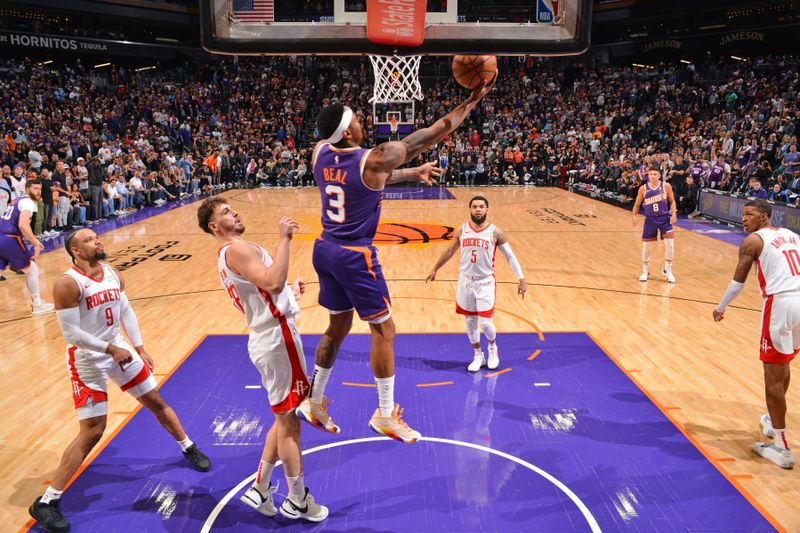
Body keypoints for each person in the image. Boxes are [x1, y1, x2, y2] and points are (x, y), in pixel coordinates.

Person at [295, 78, 495, 443]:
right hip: (355, 254)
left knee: (336, 328)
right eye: (355, 119)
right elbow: (434, 132)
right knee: (385, 330)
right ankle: (385, 413)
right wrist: (471, 101)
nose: (360, 121)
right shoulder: (376, 157)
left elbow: (369, 176)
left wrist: (411, 174)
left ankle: (314, 399)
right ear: (351, 133)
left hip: (324, 248)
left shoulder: (320, 152)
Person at [28, 228, 210, 533]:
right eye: (88, 239)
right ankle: (47, 502)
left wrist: (138, 347)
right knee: (93, 430)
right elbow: (72, 334)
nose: (97, 241)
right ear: (75, 251)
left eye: (96, 237)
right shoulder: (67, 284)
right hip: (88, 359)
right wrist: (111, 349)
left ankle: (188, 446)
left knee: (156, 401)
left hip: (120, 349)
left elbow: (125, 310)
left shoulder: (112, 272)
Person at [197, 197, 327, 522]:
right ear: (214, 226)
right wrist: (284, 238)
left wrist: (288, 295)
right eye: (226, 212)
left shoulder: (230, 253)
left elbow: (265, 291)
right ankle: (297, 500)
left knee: (283, 418)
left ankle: (260, 486)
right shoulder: (236, 250)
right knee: (290, 423)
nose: (234, 212)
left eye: (231, 207)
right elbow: (271, 281)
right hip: (277, 339)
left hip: (267, 336)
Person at [713, 200, 796, 470]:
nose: (743, 219)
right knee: (783, 366)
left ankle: (782, 448)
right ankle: (772, 421)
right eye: (742, 214)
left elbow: (738, 282)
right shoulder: (792, 236)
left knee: (772, 374)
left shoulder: (753, 241)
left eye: (749, 214)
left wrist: (720, 307)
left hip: (780, 304)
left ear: (763, 217)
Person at [425, 195, 527, 372]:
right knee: (470, 323)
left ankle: (493, 349)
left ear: (487, 209)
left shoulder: (496, 232)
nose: (478, 209)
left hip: (485, 282)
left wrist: (521, 278)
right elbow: (449, 251)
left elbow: (509, 256)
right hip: (465, 281)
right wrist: (435, 269)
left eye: (481, 206)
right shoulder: (462, 230)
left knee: (486, 323)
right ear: (470, 209)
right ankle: (478, 355)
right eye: (474, 207)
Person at [0, 179, 54, 315]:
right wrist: (36, 242)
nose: (38, 191)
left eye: (39, 189)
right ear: (27, 188)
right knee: (32, 269)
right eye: (35, 188)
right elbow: (23, 225)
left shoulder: (18, 200)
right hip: (9, 238)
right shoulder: (27, 202)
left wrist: (32, 241)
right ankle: (37, 305)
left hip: (3, 236)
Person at [632, 167, 677, 283]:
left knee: (670, 244)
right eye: (650, 174)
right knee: (646, 246)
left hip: (664, 218)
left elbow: (672, 201)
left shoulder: (666, 186)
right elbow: (637, 204)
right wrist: (634, 216)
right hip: (650, 219)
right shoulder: (643, 188)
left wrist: (673, 214)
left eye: (655, 174)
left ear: (659, 176)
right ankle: (645, 270)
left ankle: (668, 270)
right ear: (648, 176)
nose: (652, 176)